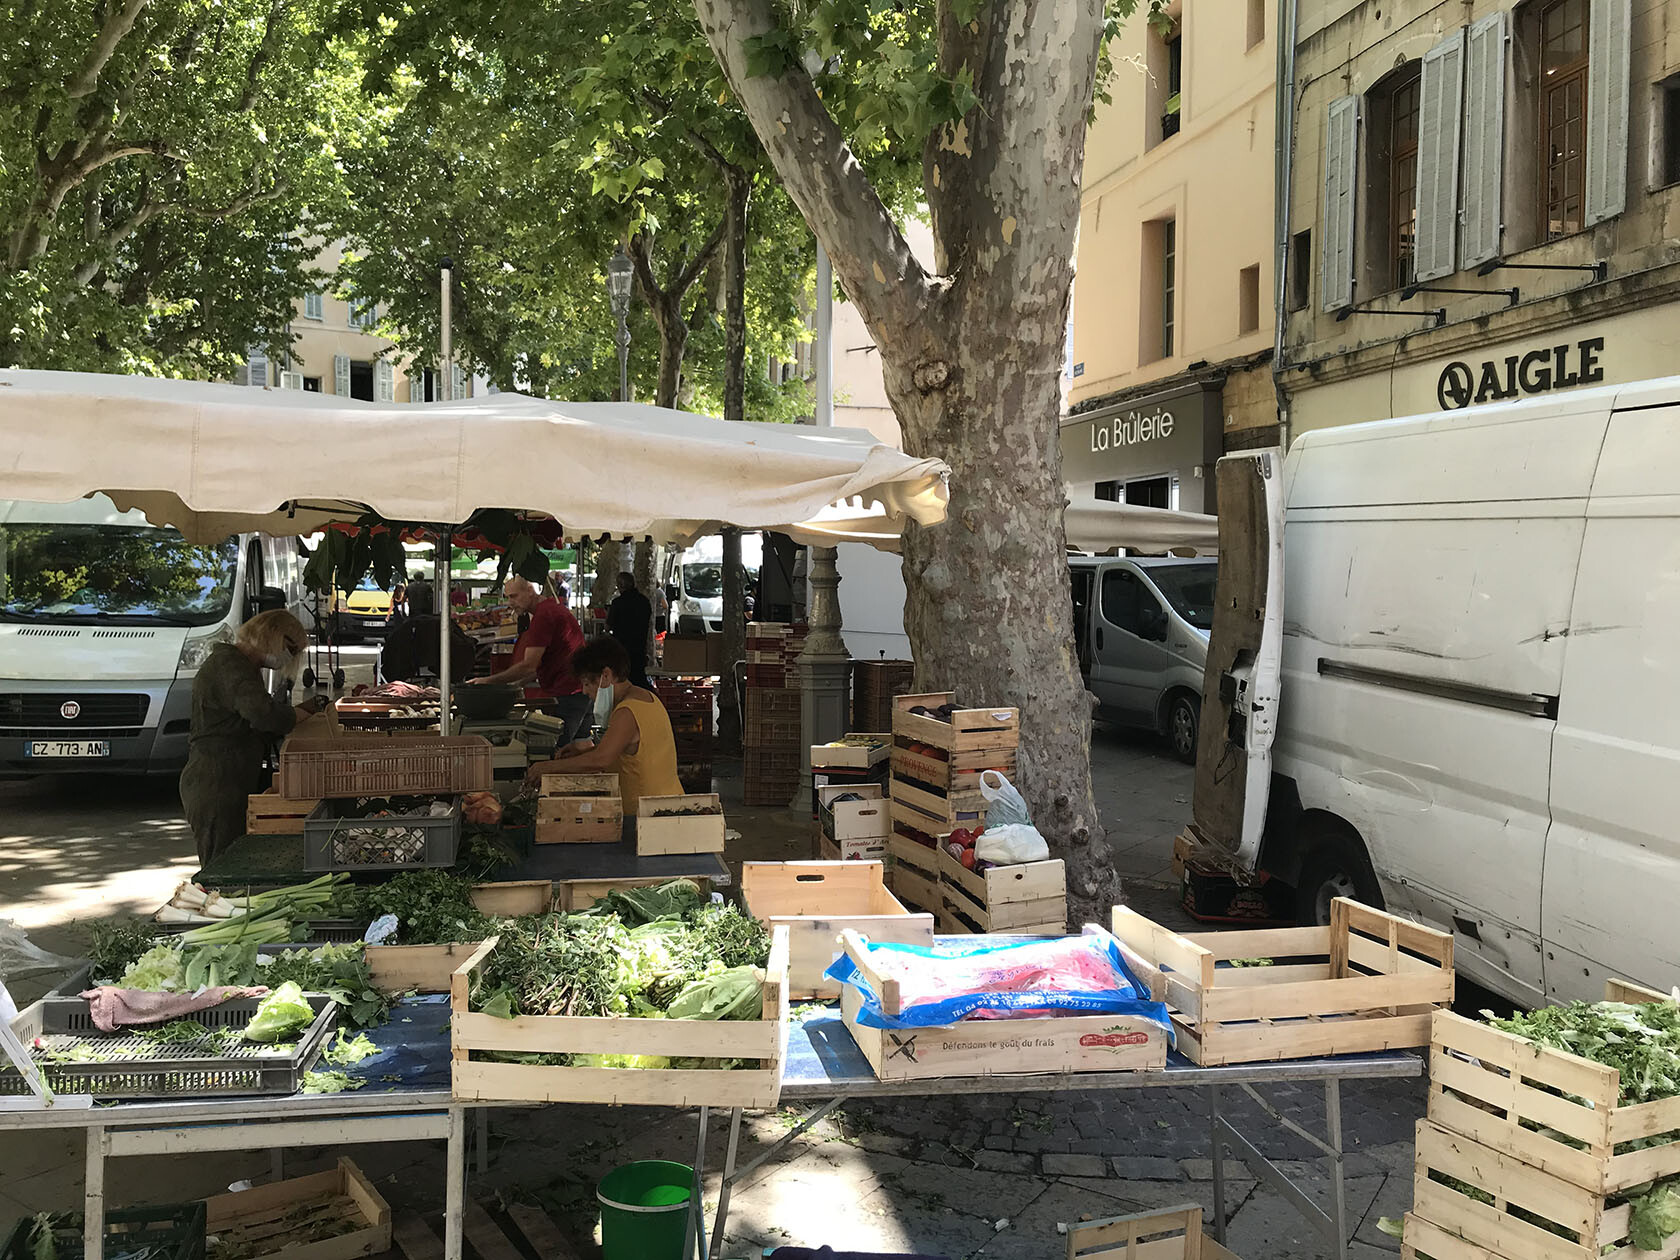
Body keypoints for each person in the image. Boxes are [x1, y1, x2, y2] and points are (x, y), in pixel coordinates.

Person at [180, 610, 321, 866]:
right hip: (216, 782)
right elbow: (264, 715)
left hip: (229, 777)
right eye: (290, 648)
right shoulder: (230, 666)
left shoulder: (243, 666)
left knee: (231, 865)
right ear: (272, 636)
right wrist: (303, 712)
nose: (289, 657)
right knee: (220, 869)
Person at [525, 636, 681, 820]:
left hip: (648, 815)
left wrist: (549, 767)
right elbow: (626, 750)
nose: (584, 691)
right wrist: (583, 751)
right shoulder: (647, 697)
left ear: (606, 675)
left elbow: (601, 760)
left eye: (586, 683)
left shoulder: (627, 711)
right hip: (668, 805)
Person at [470, 574, 589, 740]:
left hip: (568, 693)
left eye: (514, 596)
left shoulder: (543, 616)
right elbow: (547, 661)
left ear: (530, 590)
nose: (510, 603)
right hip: (578, 690)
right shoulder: (549, 609)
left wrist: (488, 681)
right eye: (508, 597)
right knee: (580, 746)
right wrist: (517, 684)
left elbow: (529, 665)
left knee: (559, 749)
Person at [379, 584, 478, 683]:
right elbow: (430, 598)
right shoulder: (426, 587)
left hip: (415, 617)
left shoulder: (411, 587)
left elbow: (405, 599)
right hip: (423, 616)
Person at [606, 572, 653, 686]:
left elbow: (608, 625)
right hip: (640, 647)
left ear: (620, 586)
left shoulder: (617, 603)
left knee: (623, 680)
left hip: (622, 648)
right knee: (639, 679)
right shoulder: (644, 601)